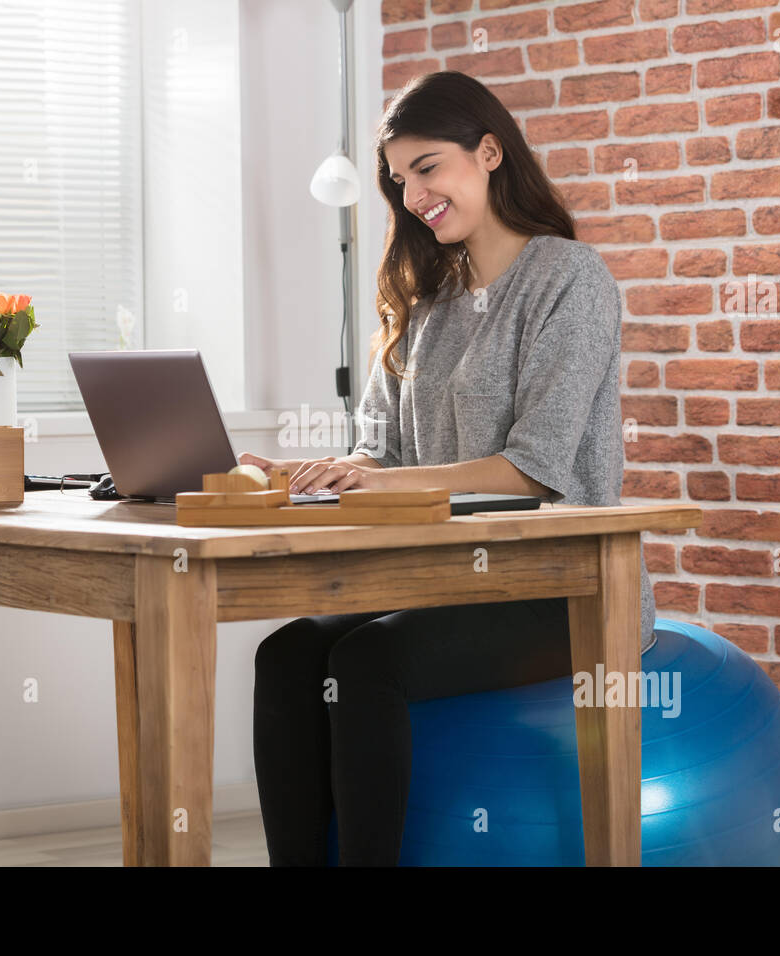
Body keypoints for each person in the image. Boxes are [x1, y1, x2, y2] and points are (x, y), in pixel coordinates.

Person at [238, 70, 656, 866]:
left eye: (428, 166)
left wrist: (376, 481)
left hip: (562, 588)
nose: (414, 192)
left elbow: (537, 470)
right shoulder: (426, 302)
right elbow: (380, 453)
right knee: (287, 653)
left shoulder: (571, 279)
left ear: (489, 151)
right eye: (400, 180)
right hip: (447, 581)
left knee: (368, 661)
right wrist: (304, 471)